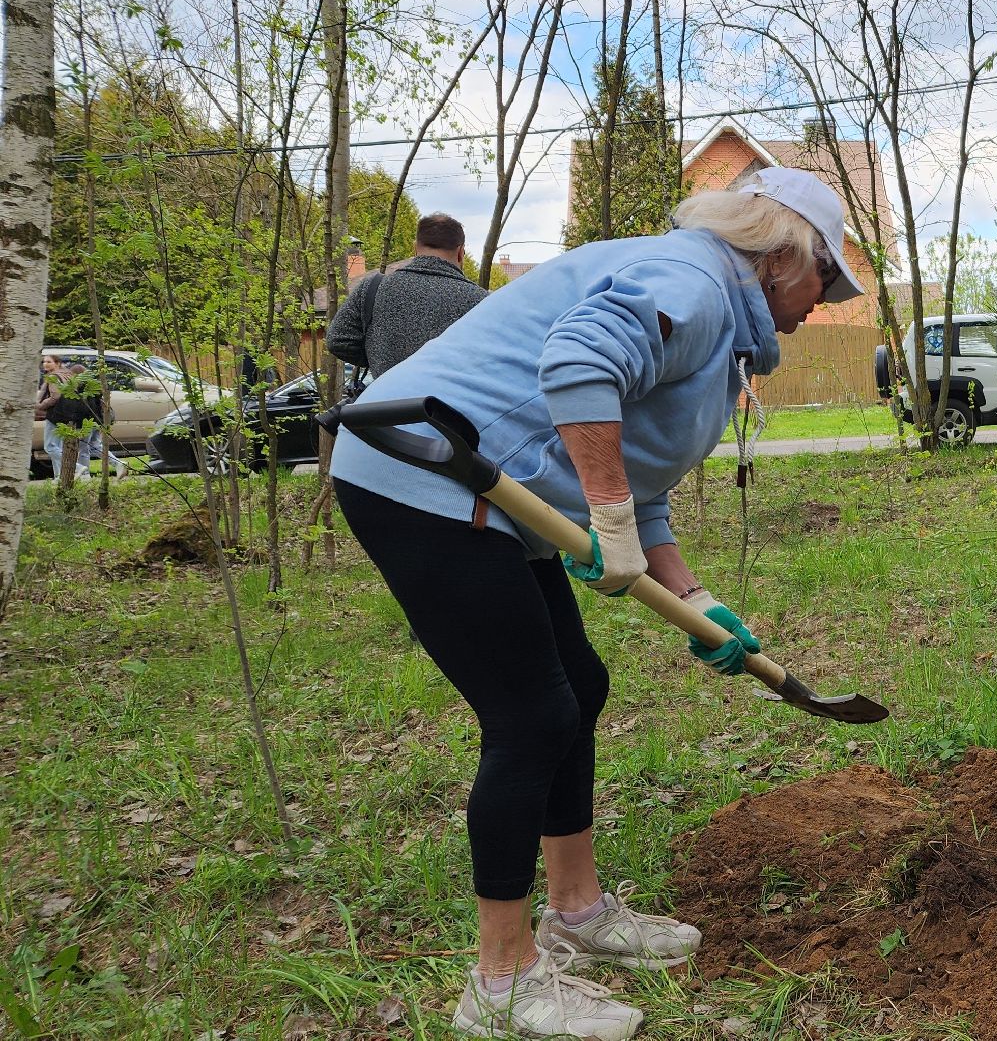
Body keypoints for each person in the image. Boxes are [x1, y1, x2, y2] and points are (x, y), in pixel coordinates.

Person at [329, 166, 863, 1039]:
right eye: (825, 278)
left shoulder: (712, 319)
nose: (825, 300)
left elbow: (633, 470)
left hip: (498, 498)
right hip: (428, 473)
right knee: (532, 715)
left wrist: (693, 595)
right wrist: (607, 515)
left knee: (578, 685)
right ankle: (499, 984)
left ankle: (576, 913)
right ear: (780, 255)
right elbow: (578, 366)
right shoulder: (692, 280)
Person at [327, 212, 490, 377]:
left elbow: (338, 340)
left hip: (386, 398)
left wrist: (380, 358)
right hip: (451, 401)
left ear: (415, 247)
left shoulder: (373, 288)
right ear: (461, 252)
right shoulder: (480, 301)